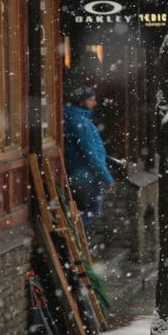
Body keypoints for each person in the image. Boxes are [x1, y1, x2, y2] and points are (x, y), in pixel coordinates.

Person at [63, 86, 114, 230]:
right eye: (91, 100)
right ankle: (76, 239)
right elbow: (90, 153)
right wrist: (106, 177)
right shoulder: (81, 123)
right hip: (87, 176)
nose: (95, 103)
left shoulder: (71, 118)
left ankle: (77, 243)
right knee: (91, 212)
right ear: (82, 102)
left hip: (78, 174)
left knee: (82, 212)